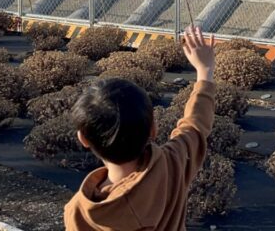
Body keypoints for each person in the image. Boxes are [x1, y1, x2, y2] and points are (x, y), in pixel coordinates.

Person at [64, 25, 216, 230]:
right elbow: (195, 125)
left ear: (83, 138)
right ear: (153, 129)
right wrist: (204, 72)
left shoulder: (79, 214)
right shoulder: (171, 164)